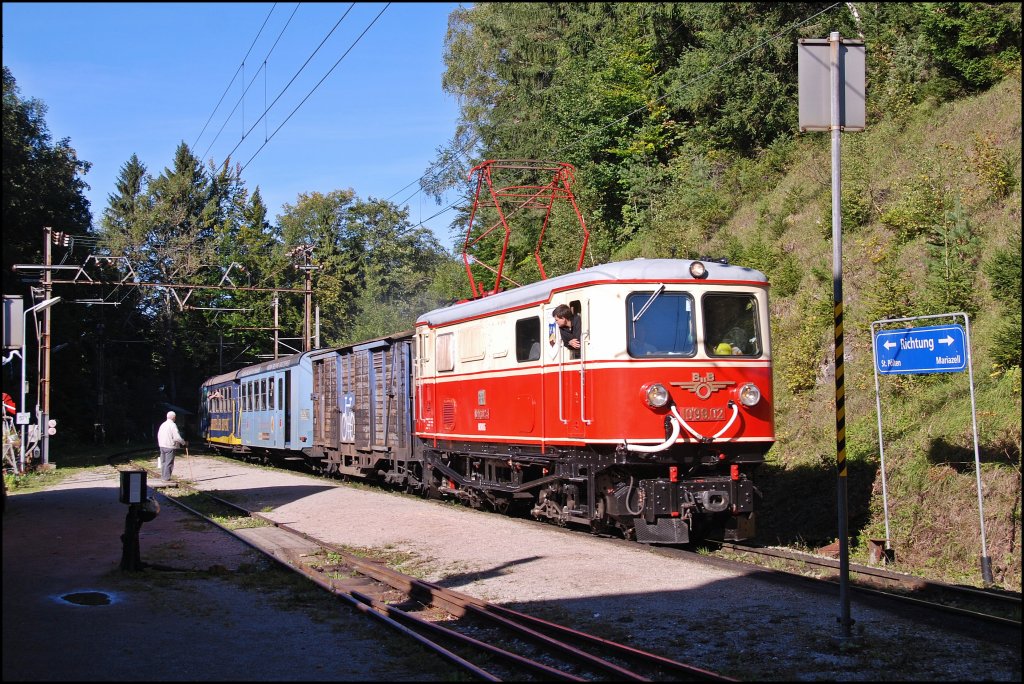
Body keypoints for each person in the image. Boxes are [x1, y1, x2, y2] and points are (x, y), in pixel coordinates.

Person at [157, 410, 187, 481]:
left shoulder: (163, 424)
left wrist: (160, 443)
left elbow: (159, 435)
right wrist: (184, 442)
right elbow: (177, 437)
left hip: (162, 446)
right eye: (175, 417)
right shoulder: (173, 425)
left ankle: (163, 477)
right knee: (169, 463)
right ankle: (166, 478)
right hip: (170, 446)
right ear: (173, 417)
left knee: (163, 462)